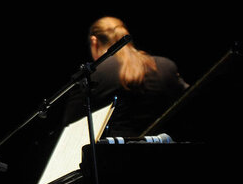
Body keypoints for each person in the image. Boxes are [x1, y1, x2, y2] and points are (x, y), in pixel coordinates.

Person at [62, 16, 190, 136]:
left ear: (94, 41)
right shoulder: (166, 66)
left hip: (113, 157)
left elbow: (71, 127)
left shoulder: (93, 75)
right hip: (164, 154)